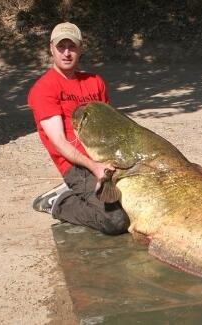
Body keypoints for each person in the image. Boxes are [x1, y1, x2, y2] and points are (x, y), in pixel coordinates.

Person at [27, 22, 129, 235]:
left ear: (81, 48)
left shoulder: (94, 81)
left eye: (71, 47)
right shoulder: (44, 89)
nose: (66, 53)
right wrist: (95, 167)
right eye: (61, 46)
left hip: (104, 157)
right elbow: (60, 143)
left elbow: (111, 128)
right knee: (116, 221)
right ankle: (60, 201)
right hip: (77, 166)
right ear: (51, 49)